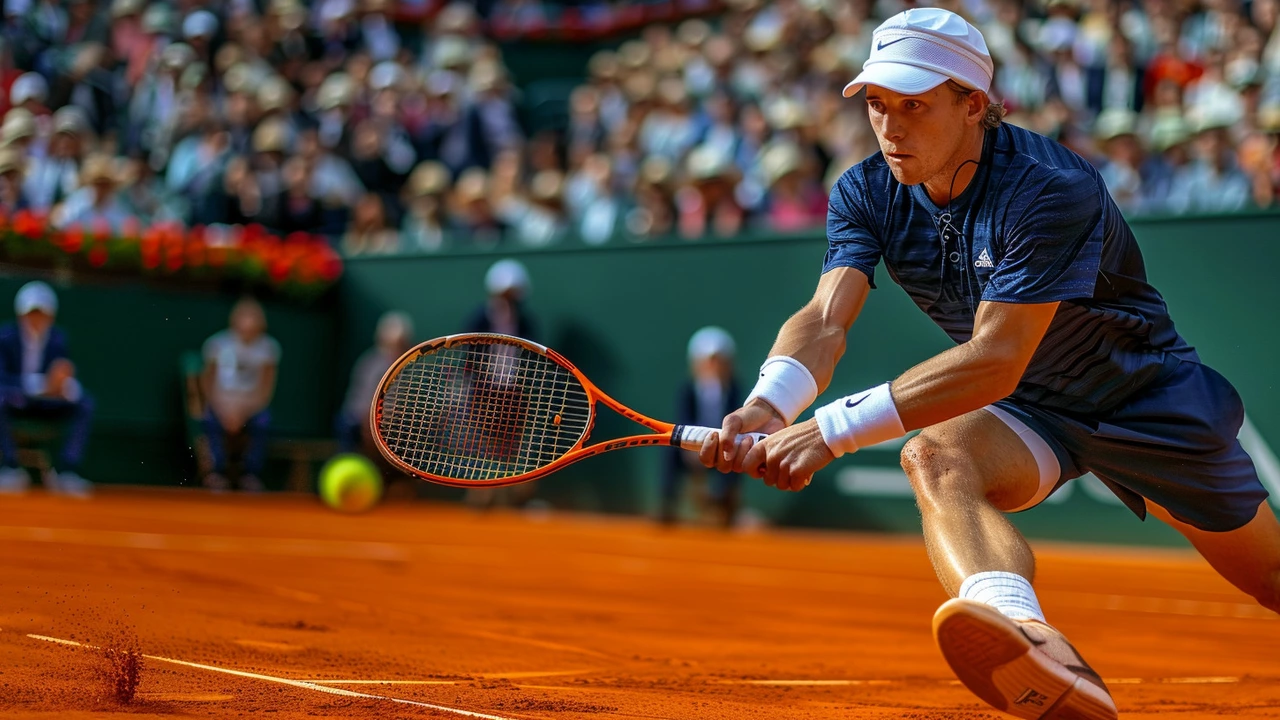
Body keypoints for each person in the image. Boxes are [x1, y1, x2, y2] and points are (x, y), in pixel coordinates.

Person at [701, 9, 1279, 720]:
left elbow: (996, 358)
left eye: (913, 105)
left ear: (974, 104)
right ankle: (1034, 643)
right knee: (936, 458)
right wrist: (768, 401)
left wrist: (831, 429)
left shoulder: (1049, 186)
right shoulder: (864, 190)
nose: (890, 127)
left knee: (1272, 579)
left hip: (1143, 396)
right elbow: (824, 319)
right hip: (1033, 412)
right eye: (878, 105)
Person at [0, 281, 94, 497]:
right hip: (17, 401)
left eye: (42, 314)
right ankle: (11, 468)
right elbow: (2, 379)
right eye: (31, 314)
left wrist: (66, 388)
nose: (36, 320)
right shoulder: (5, 338)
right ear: (20, 315)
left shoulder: (59, 339)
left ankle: (67, 472)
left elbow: (62, 377)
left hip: (49, 404)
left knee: (85, 403)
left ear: (51, 317)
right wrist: (41, 385)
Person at [661, 327, 742, 528]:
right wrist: (690, 447)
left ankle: (725, 507)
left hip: (724, 445)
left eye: (718, 360)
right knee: (669, 451)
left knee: (738, 452)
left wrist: (718, 445)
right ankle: (666, 506)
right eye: (708, 360)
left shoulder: (735, 390)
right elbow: (683, 419)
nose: (713, 366)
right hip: (691, 443)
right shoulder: (687, 389)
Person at [200, 298, 280, 493]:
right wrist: (222, 410)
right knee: (209, 420)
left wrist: (244, 412)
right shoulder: (216, 344)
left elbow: (265, 389)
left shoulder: (269, 348)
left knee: (263, 422)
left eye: (253, 318)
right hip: (221, 405)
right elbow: (207, 382)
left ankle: (249, 474)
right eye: (244, 318)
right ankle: (216, 473)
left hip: (251, 408)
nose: (248, 324)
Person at [337, 311, 413, 454]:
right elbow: (364, 405)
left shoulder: (407, 370)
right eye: (390, 344)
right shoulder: (371, 364)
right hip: (357, 424)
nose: (395, 350)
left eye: (400, 344)